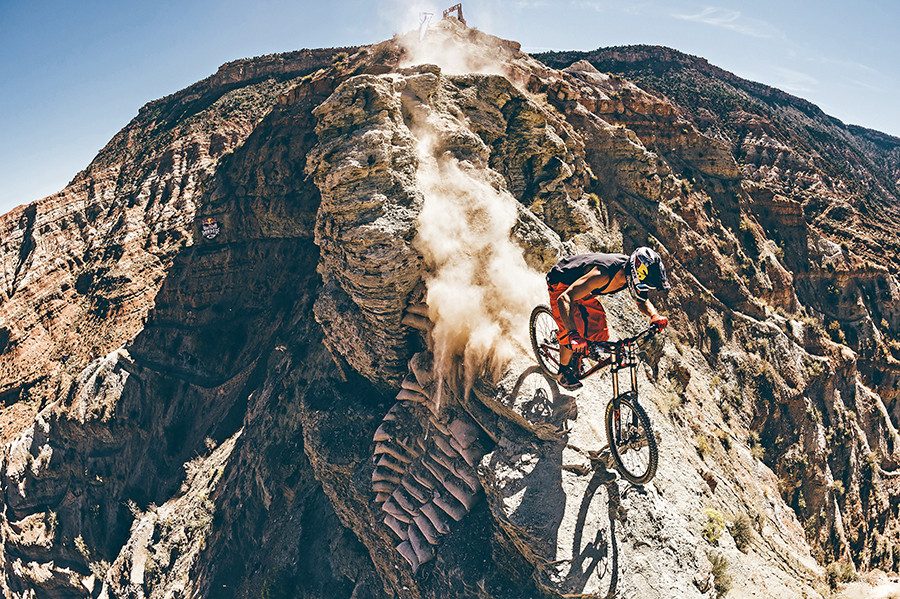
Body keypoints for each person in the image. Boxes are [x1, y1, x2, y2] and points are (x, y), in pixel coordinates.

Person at [546, 247, 670, 390]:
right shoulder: (602, 275)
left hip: (585, 288)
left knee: (599, 331)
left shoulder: (629, 273)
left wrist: (654, 315)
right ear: (635, 275)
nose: (644, 288)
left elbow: (641, 301)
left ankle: (576, 354)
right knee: (572, 332)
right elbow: (565, 299)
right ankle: (563, 371)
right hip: (562, 283)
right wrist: (573, 334)